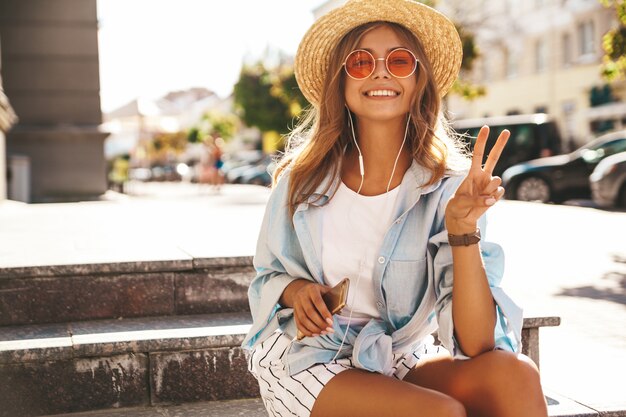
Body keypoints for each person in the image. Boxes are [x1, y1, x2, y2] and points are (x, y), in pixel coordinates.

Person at [242, 1, 548, 416]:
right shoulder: (302, 180)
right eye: (361, 61)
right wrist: (297, 293)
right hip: (308, 356)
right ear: (342, 82)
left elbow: (476, 344)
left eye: (400, 61)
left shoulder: (450, 190)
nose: (381, 72)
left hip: (396, 354)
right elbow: (267, 278)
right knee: (440, 413)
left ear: (419, 79)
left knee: (516, 375)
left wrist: (462, 230)